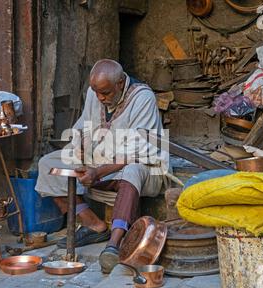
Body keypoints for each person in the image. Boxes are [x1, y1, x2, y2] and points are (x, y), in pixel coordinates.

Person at [35, 59, 169, 274]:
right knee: (48, 164)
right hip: (100, 160)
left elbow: (139, 151)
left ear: (120, 83)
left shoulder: (143, 97)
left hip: (143, 165)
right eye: (96, 92)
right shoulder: (94, 93)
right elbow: (83, 128)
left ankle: (113, 245)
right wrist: (78, 151)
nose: (100, 98)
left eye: (105, 93)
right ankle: (94, 225)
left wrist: (97, 171)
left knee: (132, 170)